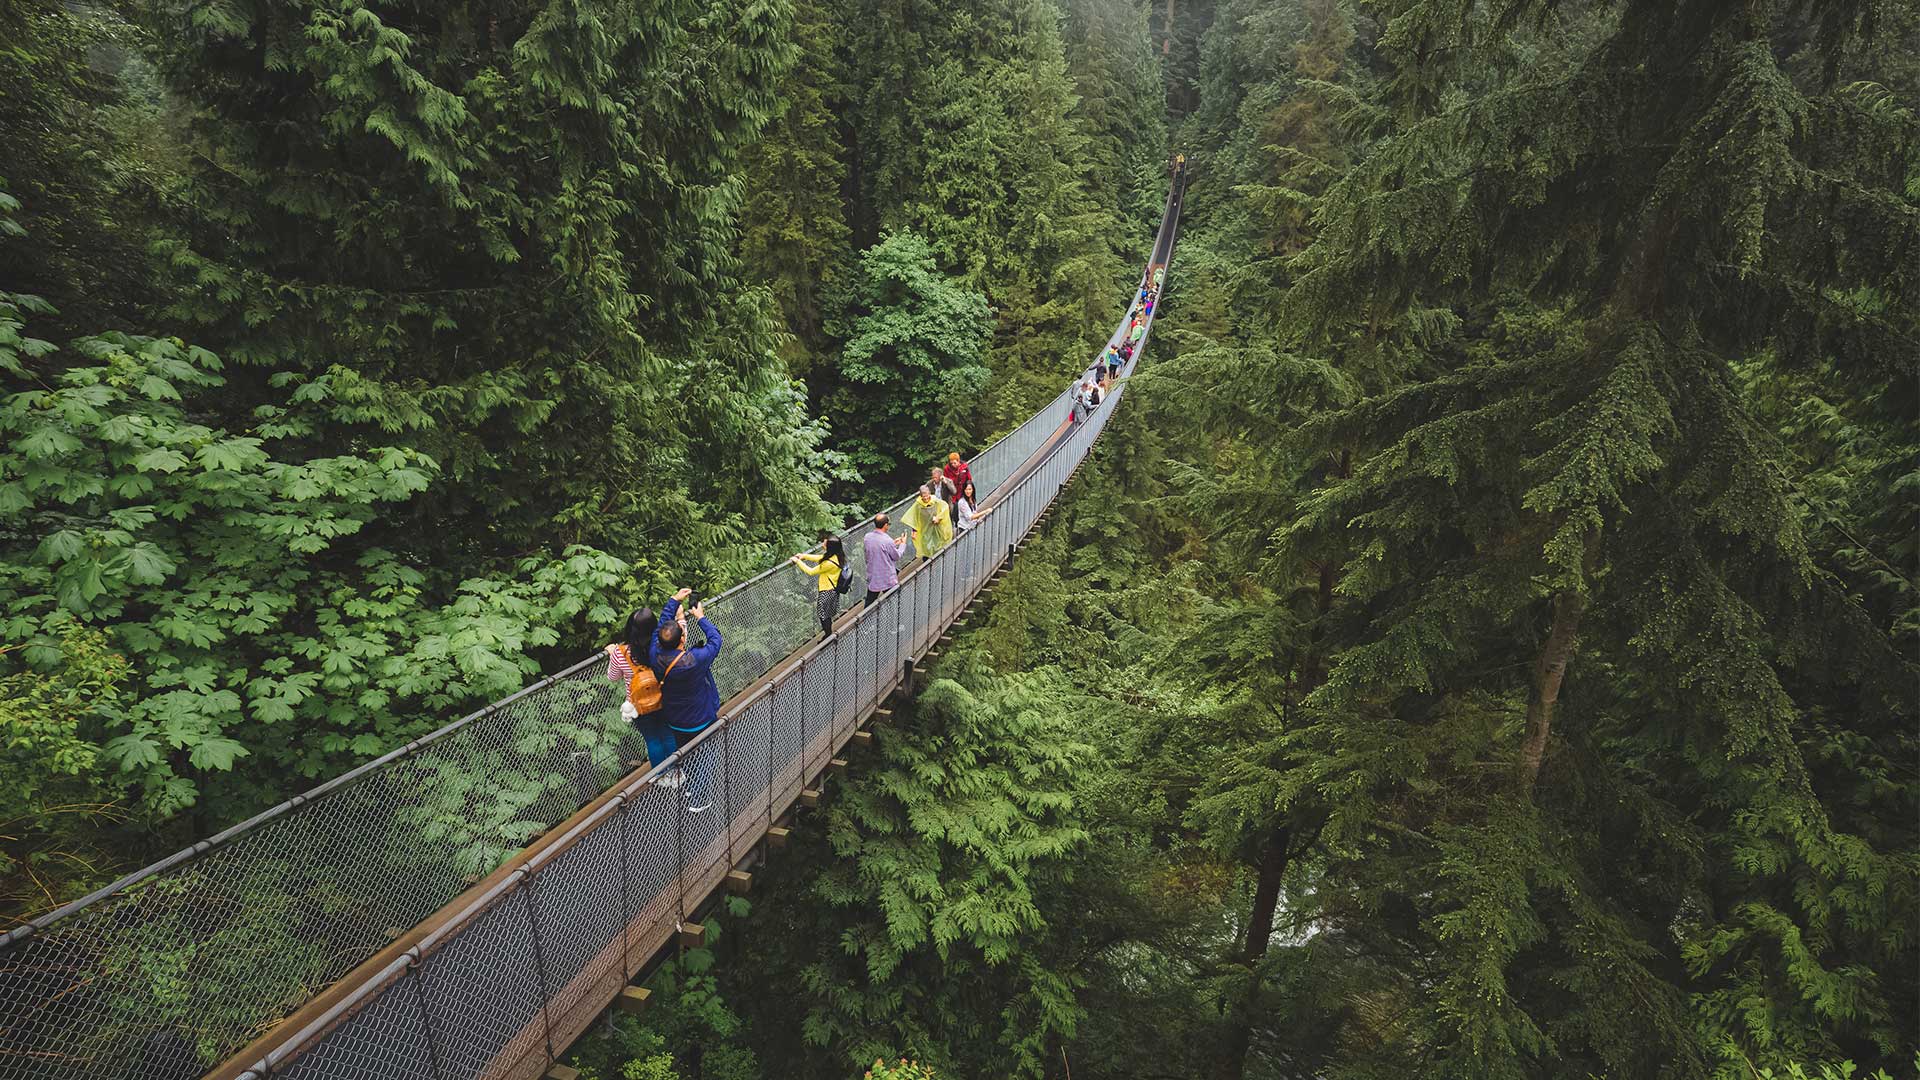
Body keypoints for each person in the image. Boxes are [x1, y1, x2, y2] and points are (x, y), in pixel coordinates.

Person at [652, 588, 724, 812]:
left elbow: (660, 626)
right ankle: (699, 799)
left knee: (687, 752)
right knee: (706, 755)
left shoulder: (655, 654)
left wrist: (673, 601)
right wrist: (701, 618)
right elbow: (715, 640)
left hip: (674, 718)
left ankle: (692, 787)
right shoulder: (695, 660)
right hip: (701, 717)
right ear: (682, 638)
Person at [606, 608, 676, 779]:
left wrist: (612, 653)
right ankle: (676, 771)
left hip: (638, 704)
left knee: (652, 739)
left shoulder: (621, 653)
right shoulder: (661, 645)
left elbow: (612, 677)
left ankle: (661, 776)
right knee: (667, 734)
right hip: (663, 697)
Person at [791, 533, 847, 637]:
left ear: (830, 547)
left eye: (825, 543)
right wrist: (804, 556)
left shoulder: (829, 563)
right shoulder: (836, 556)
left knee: (823, 615)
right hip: (833, 590)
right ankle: (828, 633)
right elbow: (820, 558)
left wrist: (798, 561)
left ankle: (828, 635)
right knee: (827, 614)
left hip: (827, 591)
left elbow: (811, 571)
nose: (823, 544)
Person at [863, 512, 909, 608]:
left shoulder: (867, 537)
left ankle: (865, 621)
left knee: (869, 602)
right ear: (885, 525)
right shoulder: (886, 540)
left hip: (873, 576)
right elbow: (896, 556)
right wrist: (902, 544)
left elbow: (878, 547)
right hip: (887, 577)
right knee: (895, 601)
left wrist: (893, 543)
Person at [901, 484, 952, 558]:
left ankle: (938, 560)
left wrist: (938, 517)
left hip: (936, 528)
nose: (926, 498)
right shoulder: (918, 505)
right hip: (925, 529)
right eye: (923, 496)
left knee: (937, 545)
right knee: (926, 548)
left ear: (929, 494)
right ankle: (928, 562)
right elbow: (915, 518)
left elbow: (945, 507)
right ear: (921, 496)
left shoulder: (935, 501)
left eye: (927, 495)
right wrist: (914, 531)